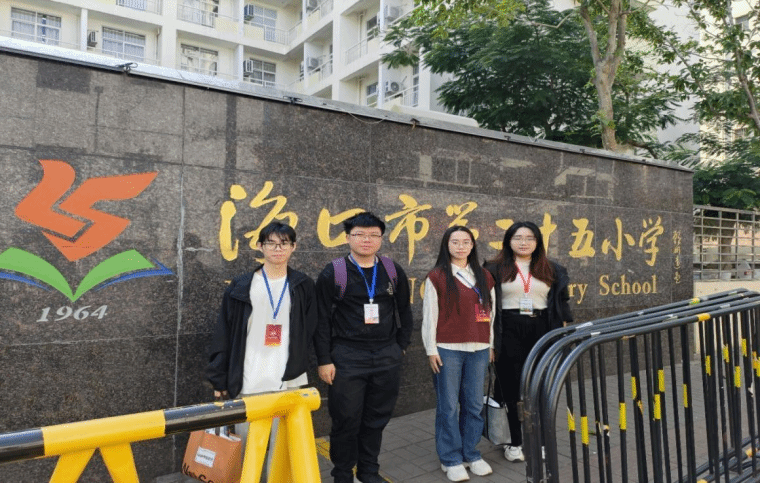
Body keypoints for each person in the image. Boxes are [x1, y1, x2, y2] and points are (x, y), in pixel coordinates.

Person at [205, 221, 318, 473]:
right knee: (247, 448)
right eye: (271, 243)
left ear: (293, 247)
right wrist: (218, 377)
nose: (278, 249)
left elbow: (314, 328)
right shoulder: (242, 285)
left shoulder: (303, 285)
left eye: (284, 243)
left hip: (289, 379)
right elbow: (224, 332)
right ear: (259, 246)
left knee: (282, 448)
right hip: (249, 378)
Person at [314, 212, 414, 484]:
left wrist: (400, 347)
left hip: (386, 355)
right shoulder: (334, 272)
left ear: (381, 239)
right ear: (348, 238)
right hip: (347, 356)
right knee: (346, 419)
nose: (366, 240)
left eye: (373, 235)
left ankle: (368, 471)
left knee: (376, 418)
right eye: (359, 234)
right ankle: (343, 474)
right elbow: (321, 320)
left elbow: (404, 311)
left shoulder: (392, 270)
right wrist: (324, 359)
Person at [484, 221, 573, 462]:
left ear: (538, 242)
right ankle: (514, 441)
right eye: (518, 237)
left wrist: (561, 338)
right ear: (508, 241)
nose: (523, 242)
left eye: (529, 238)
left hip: (542, 328)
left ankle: (539, 441)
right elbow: (486, 306)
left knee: (540, 387)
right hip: (507, 330)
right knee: (510, 388)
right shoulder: (493, 268)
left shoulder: (553, 269)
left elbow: (562, 305)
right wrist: (490, 344)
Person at [422, 226, 496, 482]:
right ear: (447, 245)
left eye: (466, 242)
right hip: (448, 350)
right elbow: (429, 316)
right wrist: (431, 350)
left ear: (473, 245)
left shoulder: (484, 276)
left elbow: (492, 314)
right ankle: (450, 458)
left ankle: (471, 453)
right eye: (455, 242)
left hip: (479, 349)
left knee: (474, 405)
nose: (461, 246)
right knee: (449, 406)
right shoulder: (437, 276)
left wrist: (491, 345)